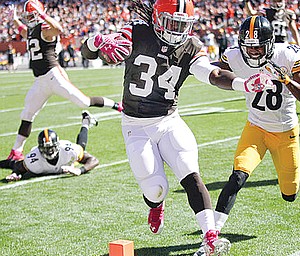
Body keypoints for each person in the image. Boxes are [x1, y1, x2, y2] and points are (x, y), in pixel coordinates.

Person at [81, 1, 275, 255]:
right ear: (157, 18)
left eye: (181, 25)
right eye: (171, 23)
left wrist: (243, 84)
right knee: (155, 189)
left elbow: (213, 74)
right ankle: (156, 204)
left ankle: (210, 236)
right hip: (136, 125)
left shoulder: (190, 46)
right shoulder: (137, 31)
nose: (175, 30)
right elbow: (90, 53)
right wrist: (97, 42)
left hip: (168, 120)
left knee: (190, 173)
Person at [212, 16, 300, 237]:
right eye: (248, 47)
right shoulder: (234, 55)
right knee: (238, 175)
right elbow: (214, 73)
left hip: (286, 132)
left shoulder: (287, 55)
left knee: (290, 193)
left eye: (258, 47)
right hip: (256, 128)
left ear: (269, 43)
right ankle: (212, 231)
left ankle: (289, 190)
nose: (253, 52)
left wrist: (286, 80)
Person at [6, 0, 123, 161]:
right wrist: (14, 19)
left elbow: (59, 29)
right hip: (40, 80)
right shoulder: (33, 30)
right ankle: (16, 151)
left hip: (53, 76)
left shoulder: (45, 28)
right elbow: (25, 32)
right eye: (29, 16)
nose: (31, 18)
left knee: (83, 102)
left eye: (33, 15)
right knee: (27, 113)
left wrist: (43, 16)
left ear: (40, 13)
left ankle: (117, 105)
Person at [2, 110, 99, 181]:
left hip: (69, 155)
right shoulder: (33, 158)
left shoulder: (68, 150)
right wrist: (15, 173)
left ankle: (86, 122)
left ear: (58, 145)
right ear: (39, 148)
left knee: (81, 149)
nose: (49, 151)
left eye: (51, 148)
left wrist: (80, 170)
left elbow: (94, 160)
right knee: (12, 163)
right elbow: (19, 167)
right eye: (45, 148)